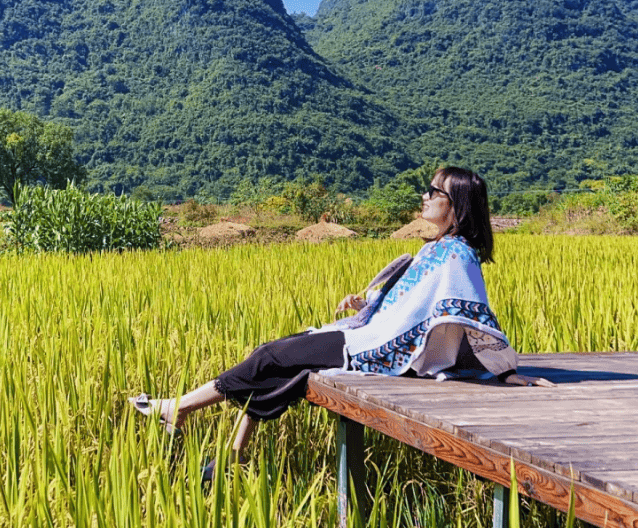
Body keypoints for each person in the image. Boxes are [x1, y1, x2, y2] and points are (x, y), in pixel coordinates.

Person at [129, 167, 552, 479]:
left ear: (455, 205)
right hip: (371, 333)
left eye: (433, 191)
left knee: (275, 355)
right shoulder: (437, 248)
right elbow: (410, 301)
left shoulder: (458, 255)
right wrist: (367, 300)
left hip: (381, 350)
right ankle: (233, 450)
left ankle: (177, 409)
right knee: (285, 358)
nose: (424, 196)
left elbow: (472, 314)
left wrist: (505, 371)